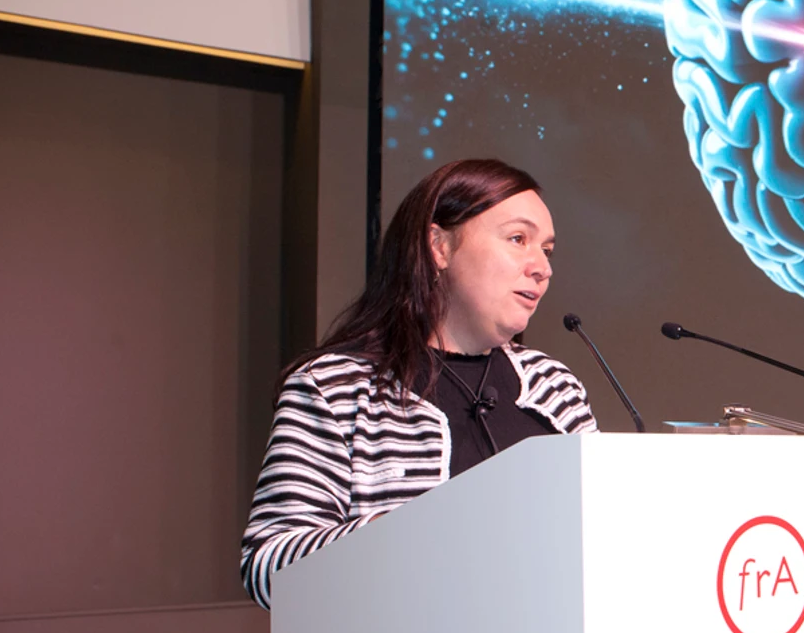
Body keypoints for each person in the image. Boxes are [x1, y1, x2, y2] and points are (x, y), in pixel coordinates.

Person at [240, 160, 598, 609]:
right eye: (517, 239)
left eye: (546, 250)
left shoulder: (555, 387)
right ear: (438, 246)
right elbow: (270, 570)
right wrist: (420, 530)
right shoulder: (335, 388)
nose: (542, 267)